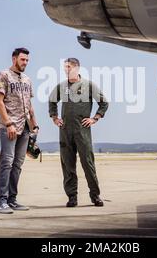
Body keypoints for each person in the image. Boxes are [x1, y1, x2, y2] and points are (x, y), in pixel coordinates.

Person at [49, 58, 109, 207]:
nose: (66, 70)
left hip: (82, 131)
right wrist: (55, 117)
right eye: (64, 67)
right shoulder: (61, 87)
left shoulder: (89, 85)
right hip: (65, 131)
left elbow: (104, 102)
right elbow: (52, 101)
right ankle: (72, 197)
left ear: (77, 68)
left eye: (68, 67)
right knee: (68, 164)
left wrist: (95, 118)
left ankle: (95, 195)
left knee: (87, 163)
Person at [0, 47, 39, 214]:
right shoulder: (2, 75)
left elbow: (29, 104)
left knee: (18, 164)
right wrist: (8, 123)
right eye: (22, 59)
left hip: (25, 127)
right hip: (9, 127)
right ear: (14, 59)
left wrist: (34, 124)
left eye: (27, 60)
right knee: (7, 162)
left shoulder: (27, 80)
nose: (25, 62)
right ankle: (1, 201)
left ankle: (12, 200)